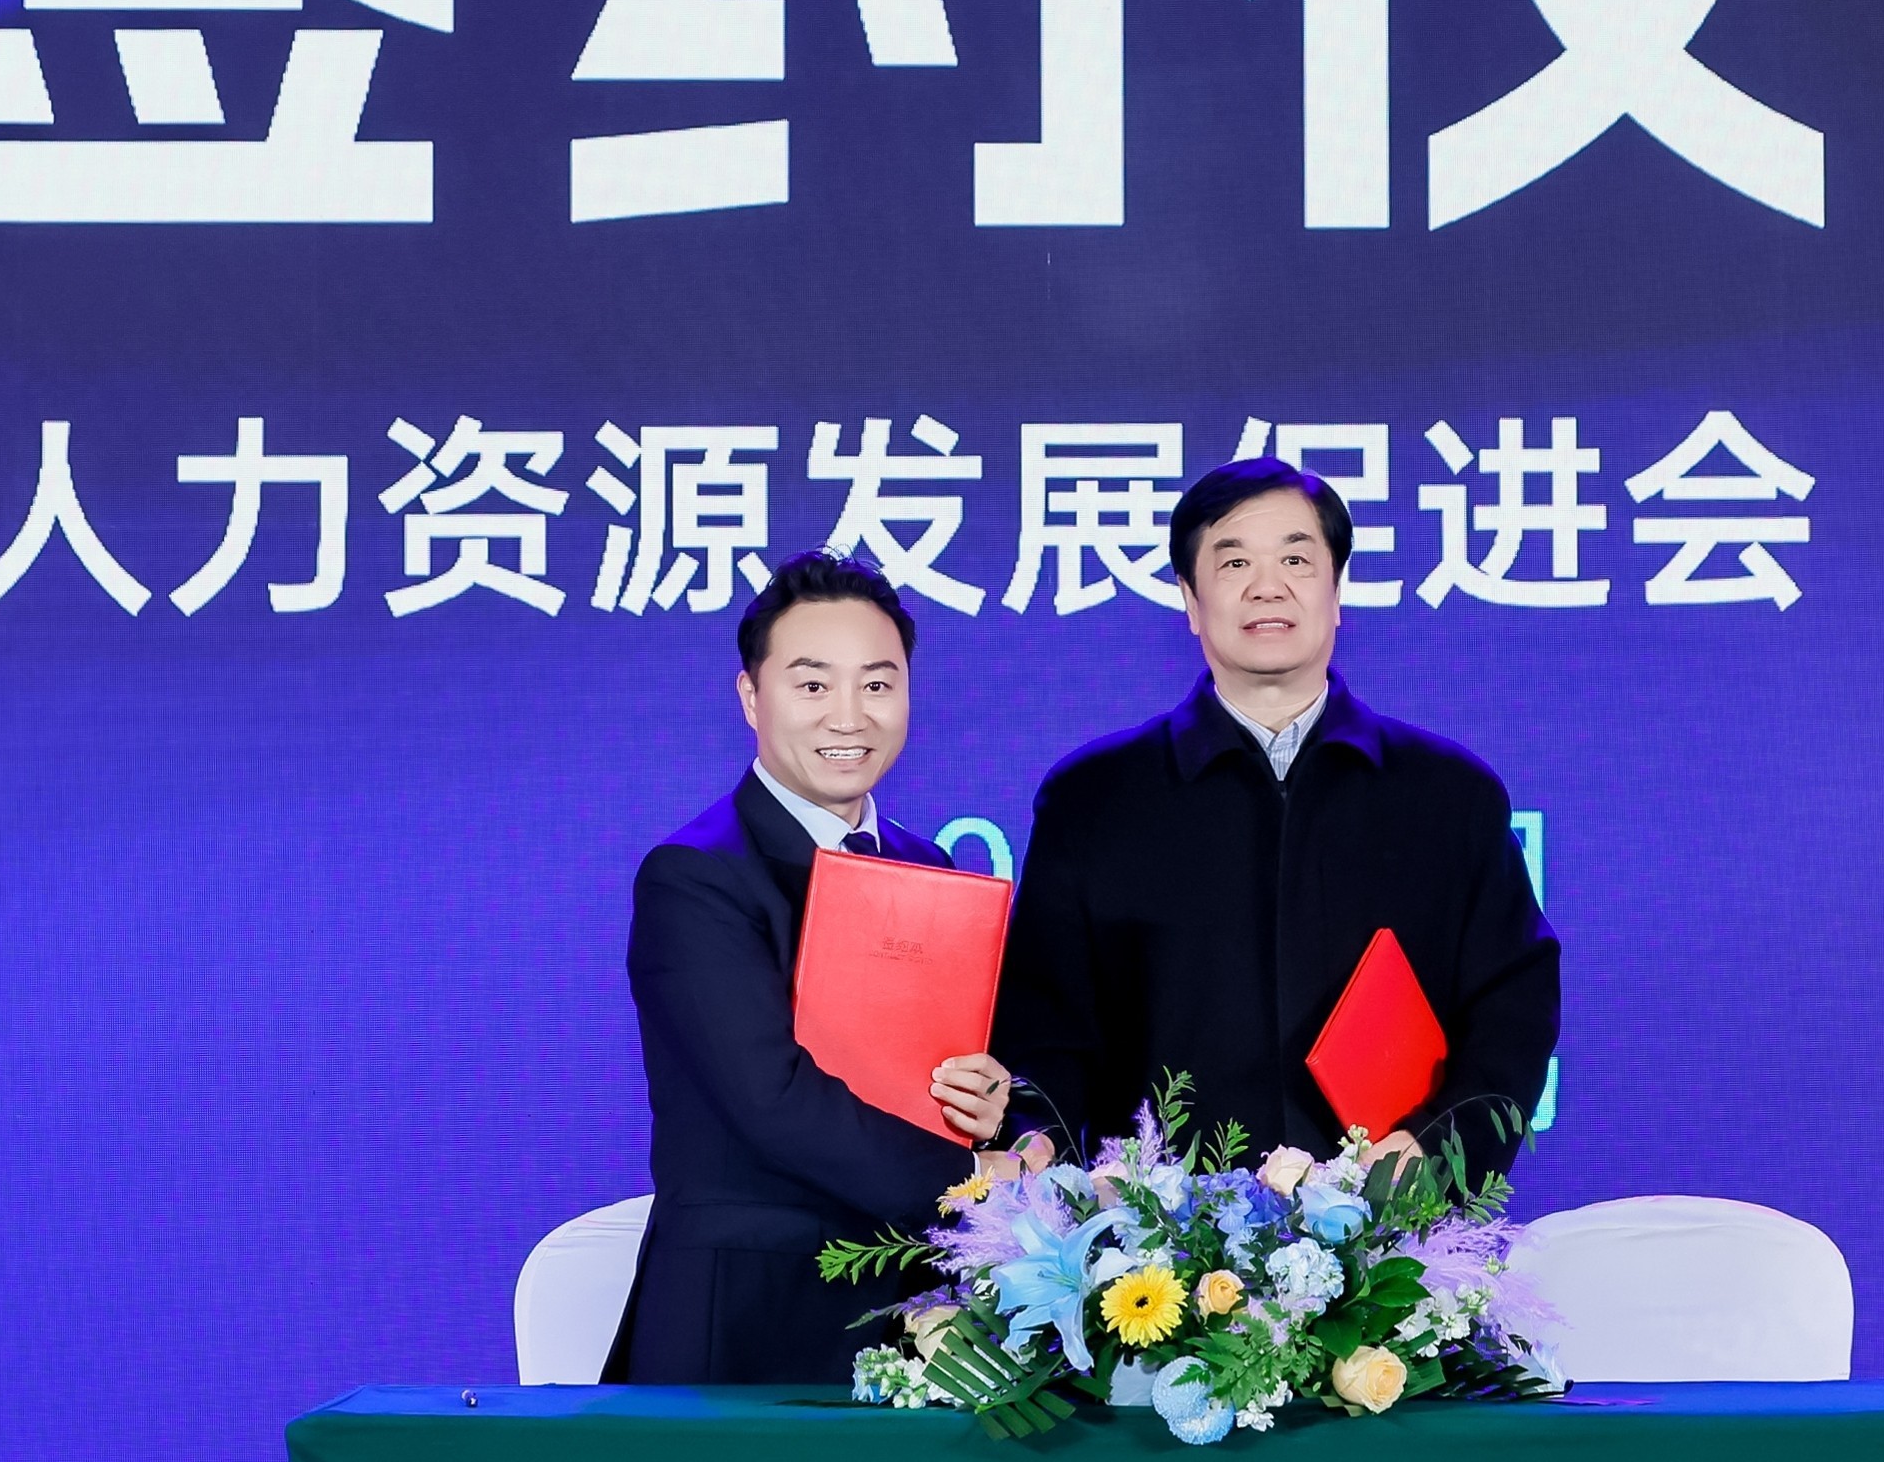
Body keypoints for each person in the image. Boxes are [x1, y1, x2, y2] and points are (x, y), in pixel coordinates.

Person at [994, 458, 1557, 1176]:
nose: (1268, 586)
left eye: (1296, 559)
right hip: (1160, 1232)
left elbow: (1510, 1013)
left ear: (1336, 590)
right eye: (1234, 563)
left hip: (1392, 1226)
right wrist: (1035, 1140)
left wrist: (1429, 1155)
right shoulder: (1093, 797)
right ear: (1190, 600)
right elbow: (1044, 1032)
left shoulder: (1449, 795)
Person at [607, 551, 1014, 1385]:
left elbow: (942, 1064)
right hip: (750, 1315)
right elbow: (771, 1099)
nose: (849, 715)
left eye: (877, 683)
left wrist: (987, 1102)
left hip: (915, 1306)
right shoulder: (696, 875)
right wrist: (972, 1179)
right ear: (751, 696)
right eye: (813, 684)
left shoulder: (926, 865)